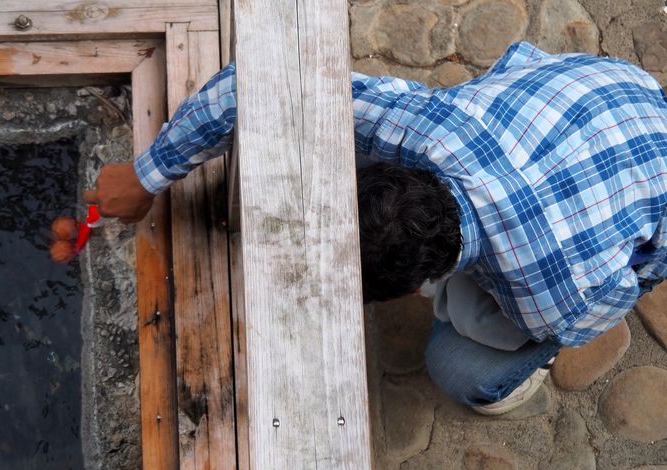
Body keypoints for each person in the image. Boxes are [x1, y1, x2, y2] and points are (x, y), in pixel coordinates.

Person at [83, 42, 667, 415]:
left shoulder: (558, 300)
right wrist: (146, 175)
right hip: (612, 91)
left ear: (420, 285)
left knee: (460, 371)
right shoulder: (429, 125)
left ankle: (514, 375)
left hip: (641, 155)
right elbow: (260, 82)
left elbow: (625, 289)